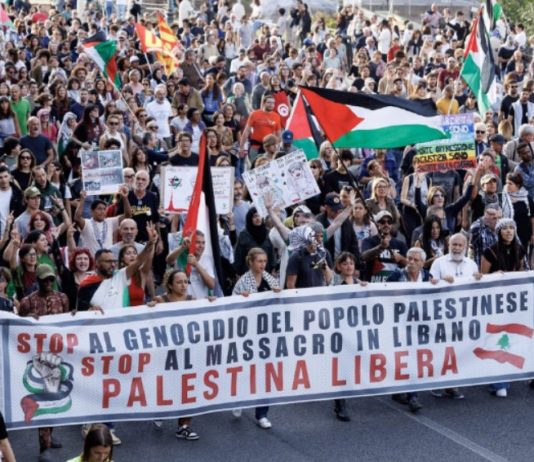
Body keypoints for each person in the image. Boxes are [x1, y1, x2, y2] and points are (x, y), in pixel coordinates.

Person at [18, 264, 70, 462]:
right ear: (37, 280)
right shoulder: (27, 302)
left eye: (50, 279)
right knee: (44, 398)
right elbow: (16, 328)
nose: (48, 283)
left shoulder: (62, 298)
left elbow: (68, 322)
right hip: (37, 357)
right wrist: (26, 320)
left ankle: (49, 435)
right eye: (44, 280)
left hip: (58, 354)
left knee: (54, 396)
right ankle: (44, 447)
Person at [232, 248, 281, 428]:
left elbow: (280, 303)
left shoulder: (270, 279)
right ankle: (238, 399)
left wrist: (278, 294)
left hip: (267, 333)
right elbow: (233, 307)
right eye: (259, 261)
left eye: (264, 261)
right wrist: (241, 299)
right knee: (246, 370)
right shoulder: (243, 282)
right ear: (251, 262)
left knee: (265, 373)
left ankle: (262, 414)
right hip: (248, 333)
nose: (262, 264)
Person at [387, 247, 437, 412]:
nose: (411, 262)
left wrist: (444, 282)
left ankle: (412, 395)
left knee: (414, 357)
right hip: (399, 324)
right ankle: (401, 392)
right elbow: (382, 293)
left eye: (416, 260)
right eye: (409, 258)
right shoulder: (396, 276)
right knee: (402, 357)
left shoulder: (427, 277)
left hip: (419, 325)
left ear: (422, 263)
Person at [76, 223, 158, 312]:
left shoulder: (120, 276)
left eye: (113, 261)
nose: (112, 264)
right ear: (97, 263)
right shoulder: (86, 284)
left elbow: (138, 261)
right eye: (108, 261)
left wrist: (151, 243)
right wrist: (89, 310)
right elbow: (80, 311)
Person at [361, 210, 407, 282]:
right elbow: (364, 256)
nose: (386, 224)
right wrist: (380, 247)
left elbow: (409, 264)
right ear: (377, 224)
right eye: (382, 222)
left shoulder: (400, 244)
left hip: (394, 284)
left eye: (389, 222)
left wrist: (400, 258)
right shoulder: (369, 241)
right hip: (373, 284)